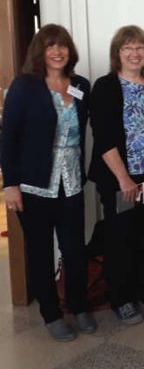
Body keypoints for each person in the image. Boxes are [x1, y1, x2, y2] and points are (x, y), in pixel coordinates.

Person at [1, 24, 95, 341]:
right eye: (50, 45)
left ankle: (79, 306)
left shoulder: (81, 85)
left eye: (62, 45)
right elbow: (8, 137)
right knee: (41, 252)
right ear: (39, 51)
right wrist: (9, 184)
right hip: (34, 185)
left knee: (74, 250)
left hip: (71, 183)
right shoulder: (24, 86)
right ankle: (51, 314)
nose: (57, 51)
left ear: (70, 50)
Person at [89, 25, 144, 325]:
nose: (135, 53)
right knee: (120, 237)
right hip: (123, 180)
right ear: (118, 53)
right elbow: (104, 139)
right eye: (128, 48)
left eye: (140, 48)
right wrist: (124, 179)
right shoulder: (106, 86)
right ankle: (121, 299)